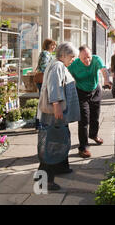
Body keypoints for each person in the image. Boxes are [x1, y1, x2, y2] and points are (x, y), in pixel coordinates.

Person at [36, 42, 80, 191]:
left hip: (56, 113)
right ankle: (44, 182)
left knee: (57, 141)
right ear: (63, 55)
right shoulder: (57, 66)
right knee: (50, 146)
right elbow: (54, 87)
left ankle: (61, 167)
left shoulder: (58, 65)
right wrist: (56, 107)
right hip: (53, 114)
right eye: (72, 57)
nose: (73, 60)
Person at [68, 46, 112, 159]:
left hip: (95, 90)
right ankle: (83, 147)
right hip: (81, 92)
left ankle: (93, 135)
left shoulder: (96, 59)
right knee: (83, 120)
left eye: (88, 57)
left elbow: (104, 70)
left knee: (95, 117)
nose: (87, 61)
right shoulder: (74, 65)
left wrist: (107, 80)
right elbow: (66, 75)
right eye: (84, 59)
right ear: (79, 57)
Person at [35, 39, 57, 129]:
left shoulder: (49, 54)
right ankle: (39, 123)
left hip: (46, 80)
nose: (54, 47)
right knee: (43, 102)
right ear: (47, 45)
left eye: (55, 45)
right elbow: (44, 67)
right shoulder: (45, 54)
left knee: (44, 101)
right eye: (52, 45)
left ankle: (42, 122)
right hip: (43, 80)